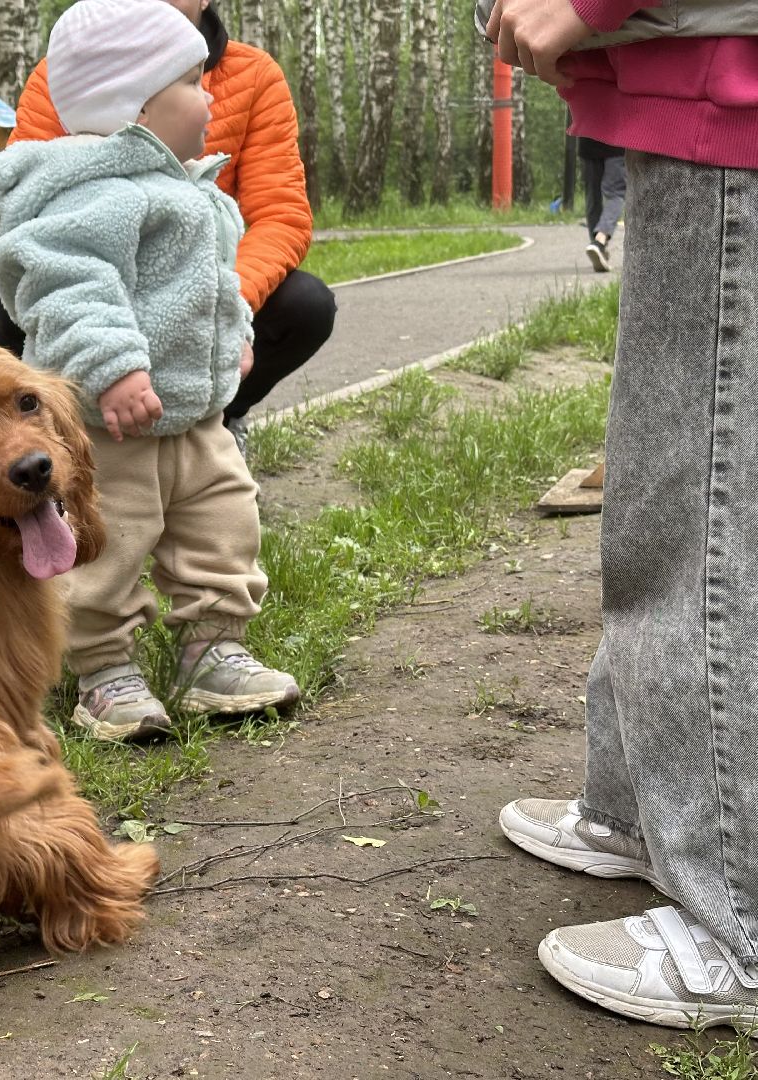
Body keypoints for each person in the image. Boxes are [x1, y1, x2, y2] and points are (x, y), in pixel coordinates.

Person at [487, 0, 758, 1028]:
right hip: (695, 88)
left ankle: (741, 912)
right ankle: (646, 811)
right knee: (663, 497)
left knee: (705, 515)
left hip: (731, 97)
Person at [0, 0, 301, 744]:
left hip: (197, 413)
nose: (212, 93)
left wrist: (237, 332)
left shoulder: (185, 183)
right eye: (193, 81)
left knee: (225, 526)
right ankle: (102, 669)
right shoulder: (90, 194)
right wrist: (113, 367)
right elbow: (68, 286)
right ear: (135, 108)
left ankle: (213, 649)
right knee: (108, 540)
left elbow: (211, 281)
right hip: (112, 423)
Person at [0, 0, 336, 453]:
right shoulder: (76, 65)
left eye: (198, 80)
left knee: (307, 305)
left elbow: (280, 214)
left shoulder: (254, 75)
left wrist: (225, 308)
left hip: (202, 274)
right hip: (100, 266)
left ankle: (215, 415)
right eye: (191, 84)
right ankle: (73, 430)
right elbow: (32, 200)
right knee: (22, 293)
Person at [578, 135, 625, 272]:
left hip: (587, 139)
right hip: (616, 142)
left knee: (592, 196)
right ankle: (599, 241)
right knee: (616, 194)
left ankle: (598, 246)